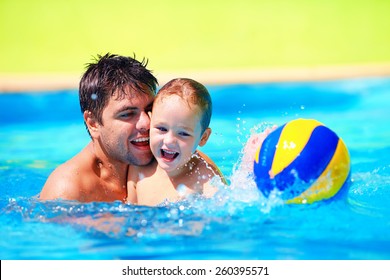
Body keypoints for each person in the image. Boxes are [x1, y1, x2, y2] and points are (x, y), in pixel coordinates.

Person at [40, 53, 158, 202]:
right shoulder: (69, 191)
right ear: (93, 123)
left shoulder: (171, 156)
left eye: (150, 109)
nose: (146, 123)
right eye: (128, 114)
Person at [127, 78, 226, 206]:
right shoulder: (138, 165)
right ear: (151, 122)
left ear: (203, 138)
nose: (168, 141)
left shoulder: (207, 180)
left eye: (183, 133)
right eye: (162, 128)